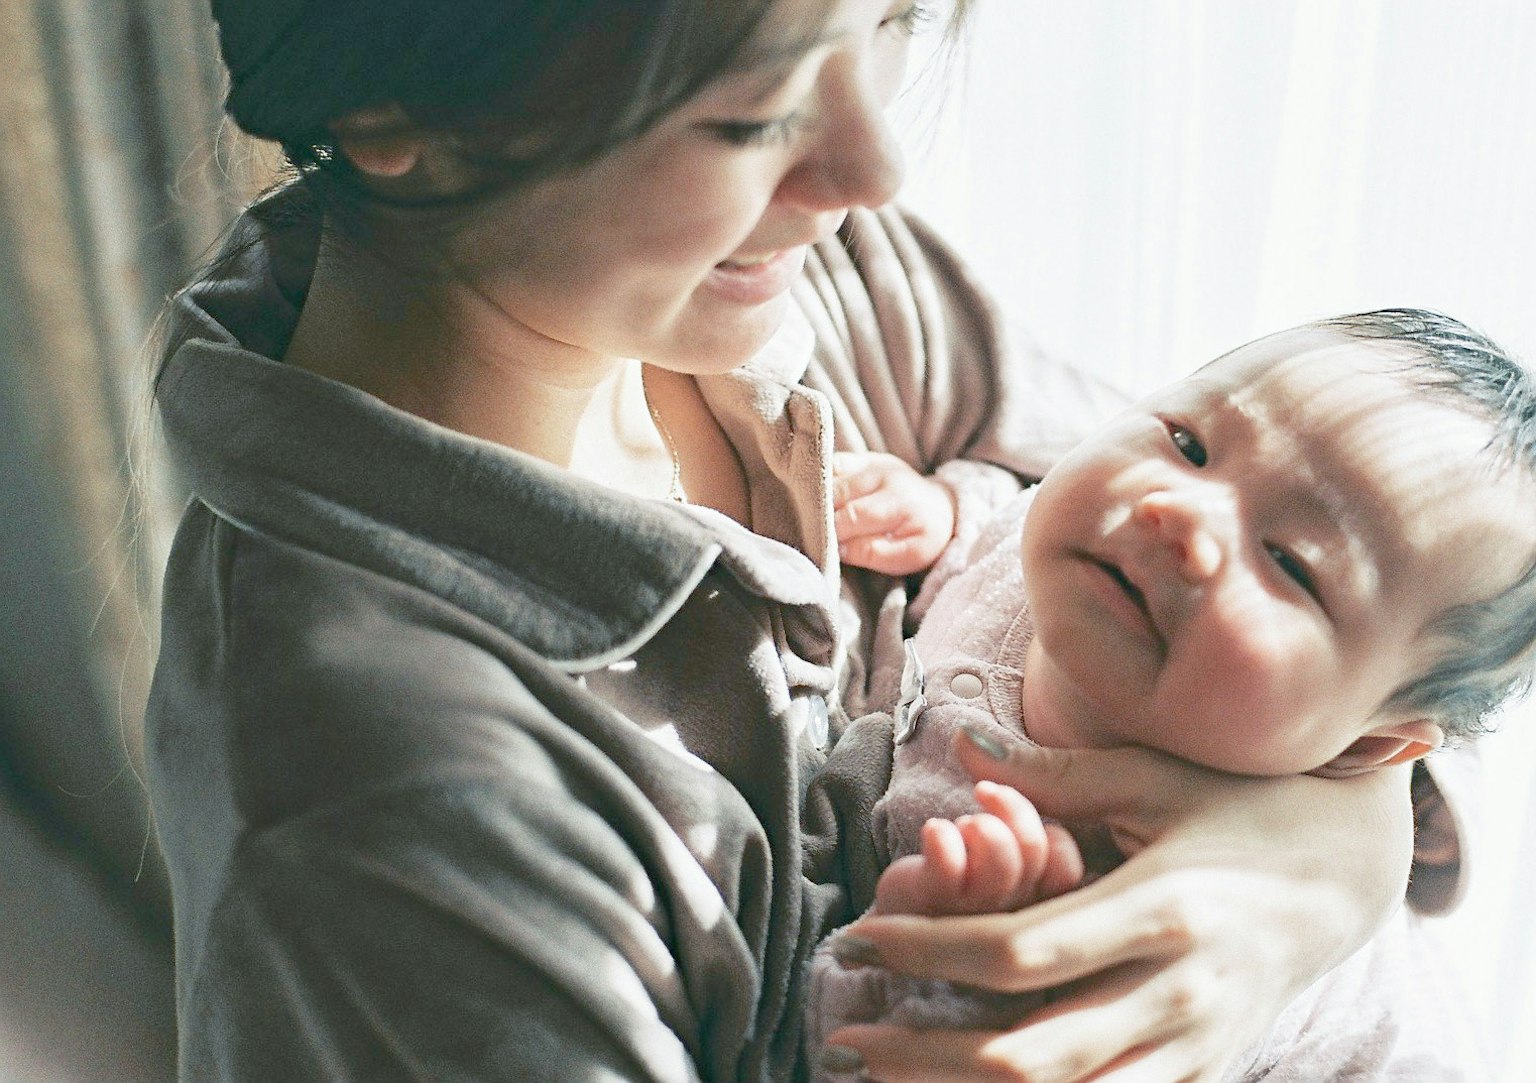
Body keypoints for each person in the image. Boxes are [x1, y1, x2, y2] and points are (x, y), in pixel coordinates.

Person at [144, 2, 1472, 1079]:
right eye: (750, 108)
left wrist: (1322, 863)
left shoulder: (797, 276)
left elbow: (1306, 554)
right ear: (402, 103)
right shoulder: (393, 826)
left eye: (891, 15)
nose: (871, 167)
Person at [808, 309, 1536, 1078]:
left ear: (1368, 747)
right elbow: (1012, 505)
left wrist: (955, 979)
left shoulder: (1190, 907)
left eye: (1290, 562)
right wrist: (943, 510)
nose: (1178, 512)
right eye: (1189, 443)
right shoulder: (1064, 556)